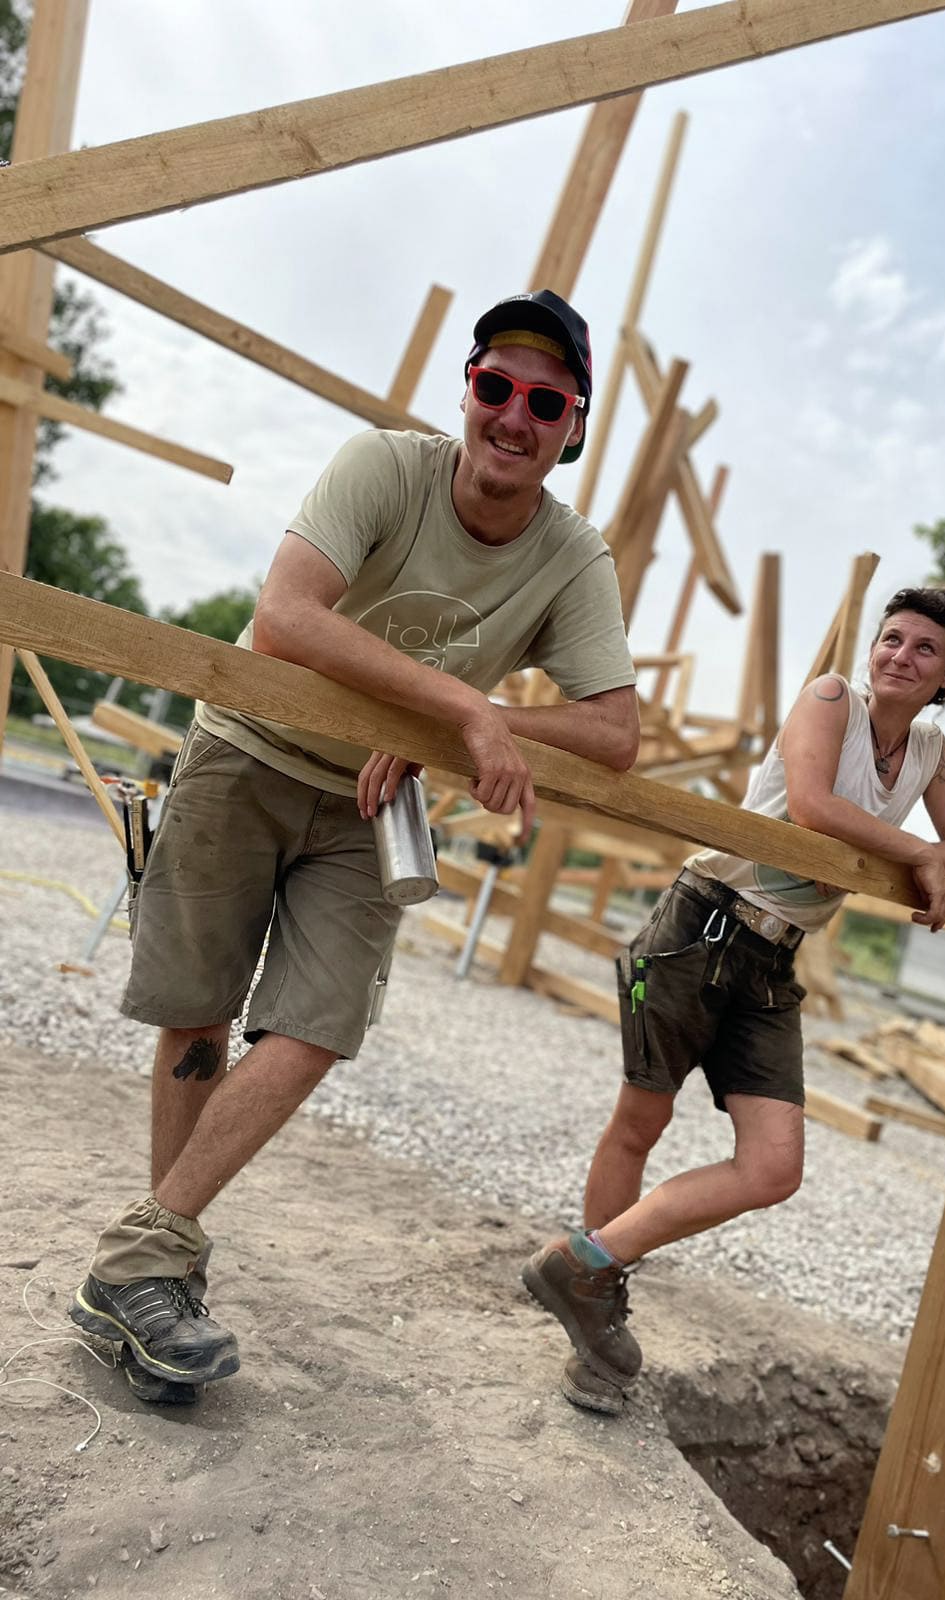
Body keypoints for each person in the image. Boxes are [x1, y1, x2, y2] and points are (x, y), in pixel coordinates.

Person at [69, 289, 641, 1401]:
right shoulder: (385, 465)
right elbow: (286, 614)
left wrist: (467, 723)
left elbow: (614, 732)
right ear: (466, 393)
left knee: (315, 1025)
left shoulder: (573, 555)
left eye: (544, 400)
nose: (512, 417)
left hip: (375, 798)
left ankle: (143, 1257)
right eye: (495, 388)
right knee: (200, 1009)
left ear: (574, 428)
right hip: (250, 744)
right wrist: (459, 711)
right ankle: (159, 1278)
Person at [522, 586, 945, 1414]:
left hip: (774, 961)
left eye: (925, 651)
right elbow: (813, 807)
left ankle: (581, 1264)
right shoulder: (830, 700)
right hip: (705, 920)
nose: (900, 657)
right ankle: (594, 1324)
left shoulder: (928, 753)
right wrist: (917, 852)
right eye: (892, 638)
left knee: (773, 1167)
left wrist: (917, 854)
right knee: (642, 1120)